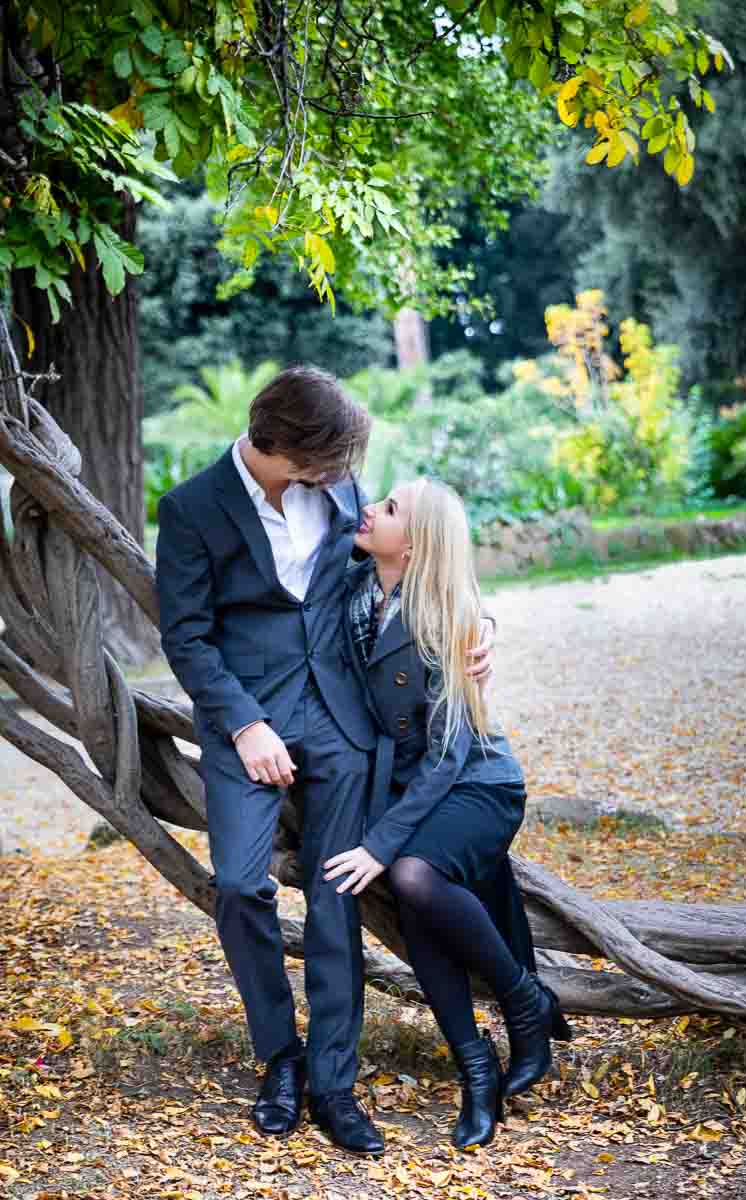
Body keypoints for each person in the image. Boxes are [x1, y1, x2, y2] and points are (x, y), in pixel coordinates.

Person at [155, 368, 493, 1156]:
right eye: (331, 463)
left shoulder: (339, 482)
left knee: (337, 889)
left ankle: (335, 1083)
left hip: (346, 717)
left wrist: (483, 627)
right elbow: (187, 637)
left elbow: (411, 565)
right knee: (241, 884)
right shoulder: (192, 509)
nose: (347, 477)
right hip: (250, 720)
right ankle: (281, 1058)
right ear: (282, 450)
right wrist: (242, 726)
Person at [324, 478, 571, 1150]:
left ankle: (521, 1005)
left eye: (391, 509)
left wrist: (377, 843)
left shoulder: (447, 620)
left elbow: (449, 754)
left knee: (409, 876)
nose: (372, 509)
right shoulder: (358, 589)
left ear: (417, 543)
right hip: (412, 789)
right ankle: (478, 1070)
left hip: (478, 783)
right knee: (415, 894)